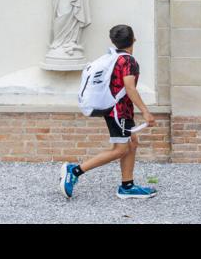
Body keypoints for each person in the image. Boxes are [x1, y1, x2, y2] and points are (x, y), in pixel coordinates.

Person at [61, 24, 158, 201]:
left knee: (131, 143)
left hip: (118, 111)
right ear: (134, 39)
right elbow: (130, 88)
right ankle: (74, 171)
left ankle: (127, 186)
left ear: (113, 41)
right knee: (120, 149)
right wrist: (146, 112)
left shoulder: (114, 58)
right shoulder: (128, 61)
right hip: (118, 111)